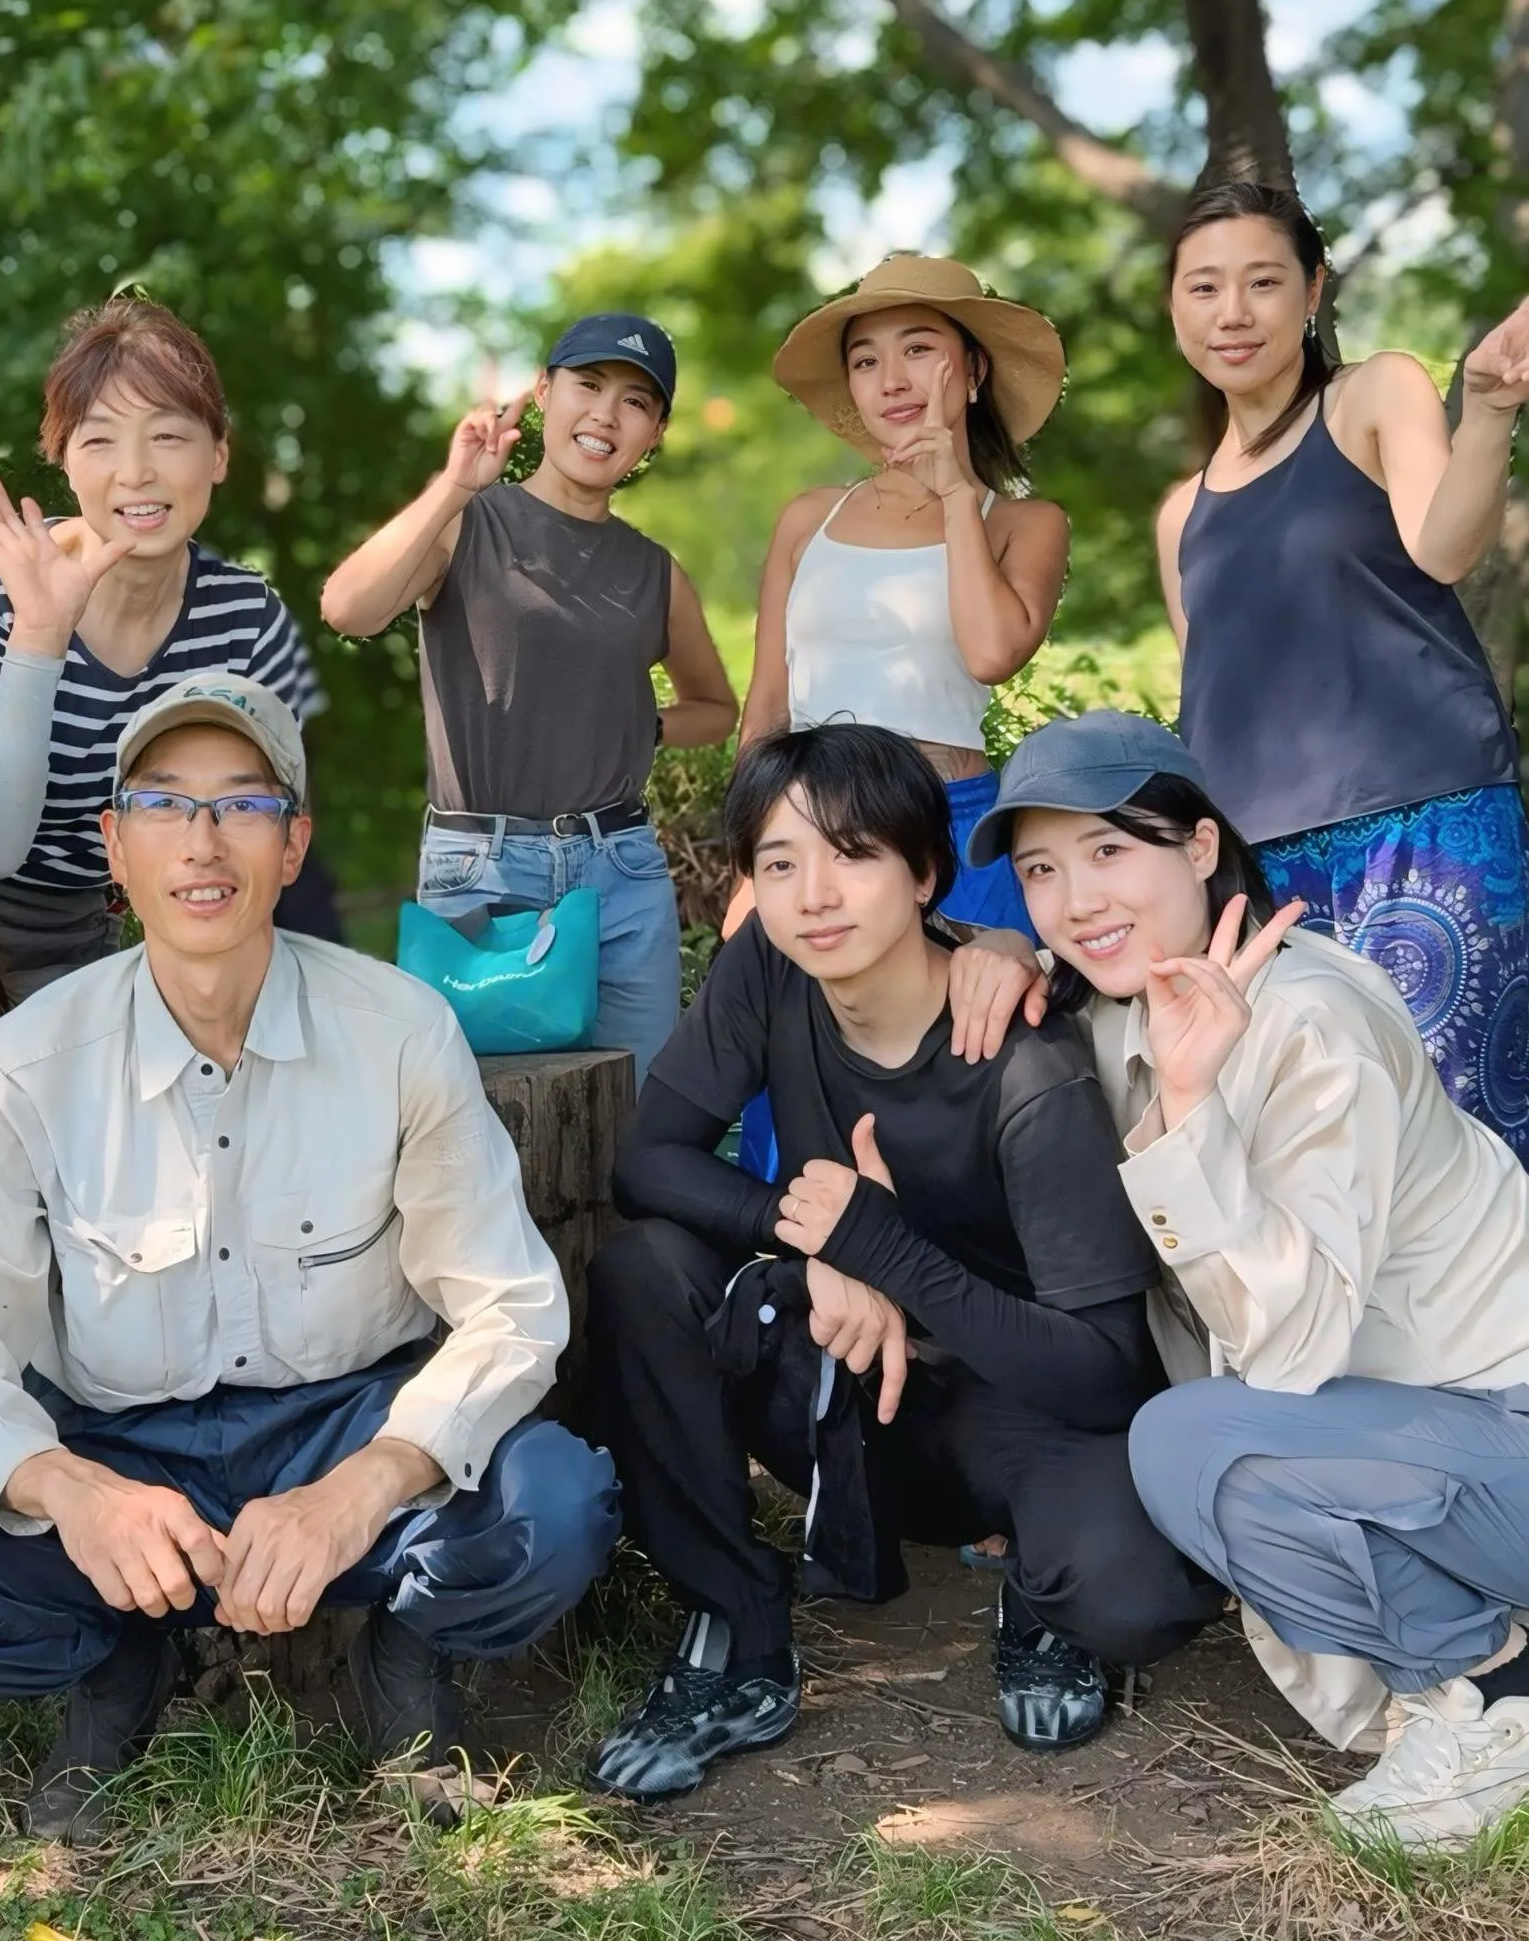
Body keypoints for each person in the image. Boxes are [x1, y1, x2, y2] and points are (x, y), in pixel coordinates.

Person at [0, 673, 619, 1834]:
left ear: (292, 842)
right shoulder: (26, 1062)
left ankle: (403, 1658)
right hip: (117, 1435)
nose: (202, 842)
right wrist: (78, 1495)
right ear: (112, 845)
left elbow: (510, 1307)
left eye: (242, 805)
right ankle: (119, 1656)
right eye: (162, 804)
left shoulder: (399, 1031)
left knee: (554, 1502)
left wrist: (363, 1488)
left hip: (344, 1421)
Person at [583, 722, 1216, 1801]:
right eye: (779, 864)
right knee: (646, 1268)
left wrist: (881, 1249)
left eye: (852, 855)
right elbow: (649, 1162)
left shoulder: (1024, 1061)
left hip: (1019, 1409)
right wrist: (816, 1246)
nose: (814, 895)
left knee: (1134, 1596)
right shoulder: (767, 971)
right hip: (848, 1381)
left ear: (924, 871)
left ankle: (1038, 1590)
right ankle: (734, 1634)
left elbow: (1105, 1368)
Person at [977, 708, 1529, 1852]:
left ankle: (1489, 1699)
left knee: (1194, 1445)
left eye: (1108, 851)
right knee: (1189, 1445)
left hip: (1502, 1428)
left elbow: (1288, 1347)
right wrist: (989, 951)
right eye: (1040, 870)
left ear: (1196, 846)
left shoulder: (1305, 1022)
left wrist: (1187, 1109)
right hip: (1431, 1441)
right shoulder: (1124, 1001)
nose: (1076, 899)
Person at [1159, 180, 1529, 1158]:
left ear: (1311, 291)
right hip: (1264, 875)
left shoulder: (1371, 393)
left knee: (1466, 1139)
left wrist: (1486, 413)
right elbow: (1210, 712)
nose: (1230, 312)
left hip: (1425, 822)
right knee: (1319, 1158)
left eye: (1261, 282)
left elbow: (1443, 547)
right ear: (1172, 308)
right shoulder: (1177, 516)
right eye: (1202, 287)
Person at [321, 312, 738, 1082]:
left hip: (622, 876)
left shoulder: (655, 572)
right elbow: (348, 608)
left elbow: (717, 709)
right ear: (545, 393)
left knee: (634, 1120)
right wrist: (452, 487)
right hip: (482, 871)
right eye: (588, 385)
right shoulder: (468, 524)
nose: (606, 414)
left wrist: (638, 724)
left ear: (657, 432)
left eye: (637, 402)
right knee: (474, 1124)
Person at [0, 291, 337, 1004]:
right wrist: (39, 637)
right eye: (100, 440)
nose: (135, 471)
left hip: (87, 932)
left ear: (220, 454)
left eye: (168, 437)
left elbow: (257, 830)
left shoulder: (245, 616)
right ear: (65, 465)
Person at [736, 255, 1070, 940]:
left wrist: (952, 493)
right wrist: (754, 862)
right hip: (812, 829)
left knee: (980, 1040)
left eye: (919, 349)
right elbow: (767, 706)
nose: (891, 381)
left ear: (973, 370)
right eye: (865, 362)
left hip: (952, 830)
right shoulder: (808, 518)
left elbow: (990, 653)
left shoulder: (1024, 524)